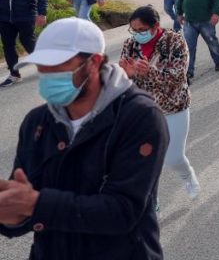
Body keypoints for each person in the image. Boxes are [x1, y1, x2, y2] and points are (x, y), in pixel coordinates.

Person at [0, 17, 169, 259]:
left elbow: (122, 211)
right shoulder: (37, 123)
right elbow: (26, 200)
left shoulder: (140, 117)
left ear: (95, 62)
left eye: (58, 66)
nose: (47, 75)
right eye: (42, 67)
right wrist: (11, 214)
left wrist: (37, 204)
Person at [119, 6, 200, 200]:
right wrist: (126, 75)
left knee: (173, 158)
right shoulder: (130, 45)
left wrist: (150, 72)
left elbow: (178, 77)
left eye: (141, 30)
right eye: (134, 30)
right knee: (144, 159)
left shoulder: (175, 42)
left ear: (155, 26)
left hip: (173, 107)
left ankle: (187, 175)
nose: (137, 35)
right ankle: (150, 201)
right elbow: (123, 79)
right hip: (143, 109)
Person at [0, 0, 47, 88]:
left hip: (26, 16)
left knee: (28, 43)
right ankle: (14, 74)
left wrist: (42, 13)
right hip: (5, 17)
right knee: (8, 46)